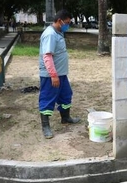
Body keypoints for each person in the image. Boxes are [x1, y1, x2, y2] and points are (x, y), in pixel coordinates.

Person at [39, 9, 80, 139]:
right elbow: (47, 57)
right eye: (66, 23)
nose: (67, 25)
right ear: (59, 21)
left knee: (66, 95)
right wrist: (53, 75)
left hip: (61, 74)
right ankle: (46, 127)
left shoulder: (58, 32)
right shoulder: (50, 34)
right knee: (47, 98)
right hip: (52, 75)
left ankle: (65, 118)